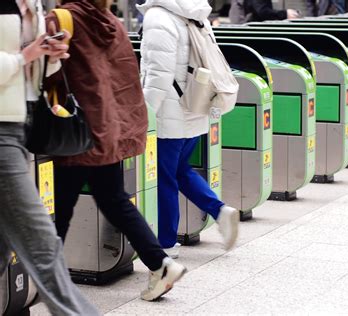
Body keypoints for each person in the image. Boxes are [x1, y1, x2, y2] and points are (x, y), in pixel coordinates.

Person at [47, 0, 186, 301]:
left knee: (59, 210)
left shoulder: (62, 19)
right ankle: (160, 263)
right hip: (107, 128)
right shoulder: (112, 23)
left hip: (75, 131)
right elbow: (124, 77)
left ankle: (48, 283)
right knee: (113, 200)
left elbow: (47, 74)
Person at [0, 0, 100, 314]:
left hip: (22, 127)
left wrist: (51, 58)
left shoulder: (37, 5)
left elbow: (37, 75)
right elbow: (20, 59)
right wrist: (25, 55)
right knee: (42, 242)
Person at [137, 0, 240, 259]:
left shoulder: (158, 17)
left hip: (168, 115)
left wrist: (146, 114)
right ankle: (220, 211)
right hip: (195, 108)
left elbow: (158, 74)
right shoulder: (196, 13)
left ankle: (166, 242)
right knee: (180, 170)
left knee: (163, 177)